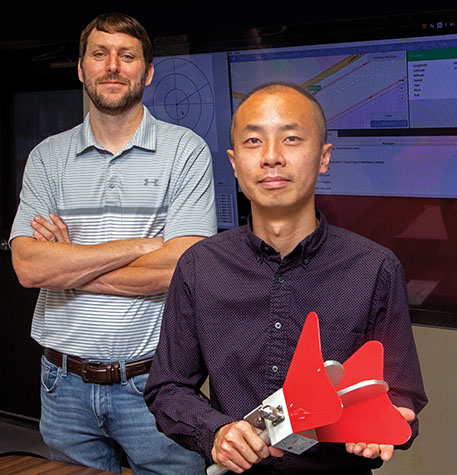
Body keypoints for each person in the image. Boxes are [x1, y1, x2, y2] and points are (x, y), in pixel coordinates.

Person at [144, 82, 428, 474]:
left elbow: (402, 394)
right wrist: (215, 432)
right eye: (254, 142)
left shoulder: (375, 268)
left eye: (291, 139)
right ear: (233, 161)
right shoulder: (199, 266)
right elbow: (167, 388)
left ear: (324, 157)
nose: (272, 157)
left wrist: (388, 421)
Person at [9, 12, 216, 475]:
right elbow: (28, 268)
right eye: (99, 54)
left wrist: (67, 266)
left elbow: (177, 269)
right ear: (82, 68)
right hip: (63, 385)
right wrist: (143, 245)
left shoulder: (185, 150)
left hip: (155, 383)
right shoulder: (47, 157)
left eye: (127, 56)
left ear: (147, 71)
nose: (113, 66)